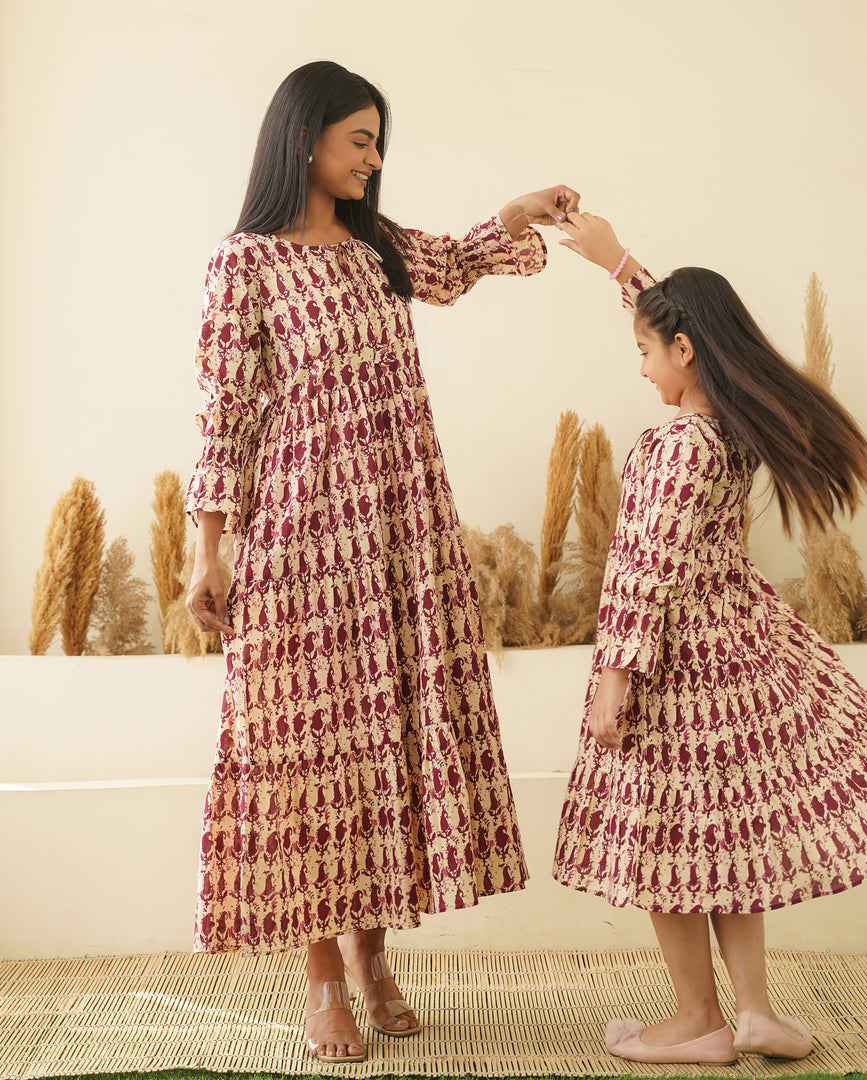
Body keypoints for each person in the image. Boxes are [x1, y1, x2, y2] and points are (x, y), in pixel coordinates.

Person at [184, 60, 579, 1064]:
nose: (372, 156)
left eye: (377, 140)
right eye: (358, 138)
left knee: (389, 741)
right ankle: (321, 977)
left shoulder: (377, 247)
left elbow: (451, 263)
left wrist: (518, 211)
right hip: (301, 539)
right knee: (308, 758)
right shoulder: (247, 264)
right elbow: (222, 414)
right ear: (304, 139)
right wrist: (208, 551)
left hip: (401, 533)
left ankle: (373, 956)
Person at [551, 212, 867, 1065]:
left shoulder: (672, 446)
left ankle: (697, 1022)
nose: (641, 364)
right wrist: (618, 262)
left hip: (672, 668)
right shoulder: (729, 432)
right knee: (724, 839)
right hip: (736, 656)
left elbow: (641, 570)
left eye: (645, 350)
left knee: (665, 843)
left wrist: (616, 680)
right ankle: (756, 1011)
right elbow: (693, 321)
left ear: (683, 353)